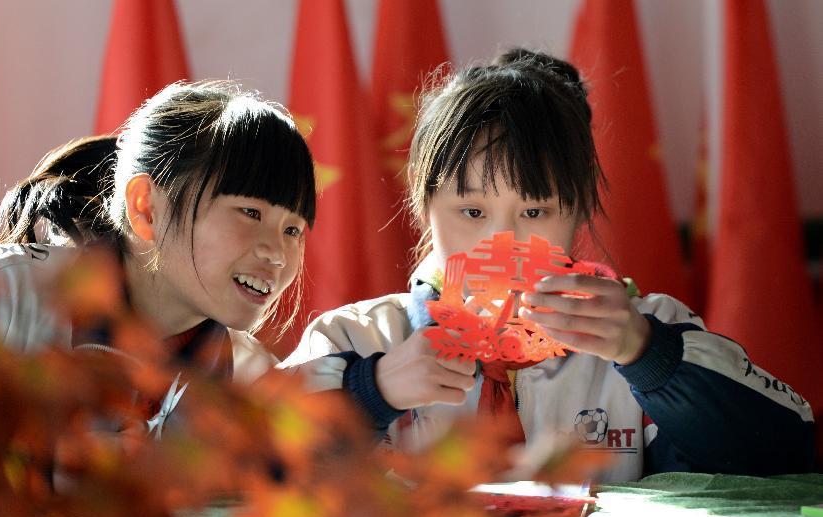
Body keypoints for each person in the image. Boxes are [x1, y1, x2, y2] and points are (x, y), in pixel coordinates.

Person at [281, 49, 814, 480]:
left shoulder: (650, 329)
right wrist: (371, 390)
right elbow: (243, 465)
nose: (503, 239)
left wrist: (650, 356)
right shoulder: (355, 338)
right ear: (423, 208)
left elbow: (787, 452)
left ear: (579, 211)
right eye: (471, 211)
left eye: (535, 210)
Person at [0, 80, 316, 434]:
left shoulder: (251, 378)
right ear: (147, 209)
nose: (278, 254)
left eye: (293, 230)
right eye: (250, 213)